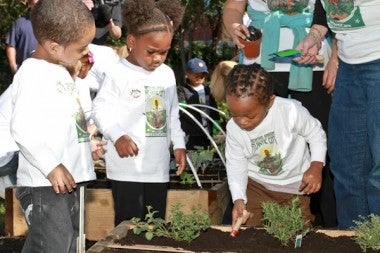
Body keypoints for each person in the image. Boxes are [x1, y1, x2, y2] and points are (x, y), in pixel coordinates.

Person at [223, 0, 338, 228]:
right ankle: (245, 208)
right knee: (253, 139)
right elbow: (233, 7)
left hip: (312, 62)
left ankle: (329, 225)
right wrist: (236, 27)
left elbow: (335, 11)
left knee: (323, 143)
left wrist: (335, 58)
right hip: (260, 69)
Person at [9, 0, 97, 252]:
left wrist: (86, 146)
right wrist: (51, 166)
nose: (86, 50)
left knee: (69, 244)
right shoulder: (32, 73)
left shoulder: (60, 71)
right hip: (45, 184)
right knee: (53, 245)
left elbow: (69, 119)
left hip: (71, 180)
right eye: (81, 46)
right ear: (54, 47)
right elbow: (22, 127)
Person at [92, 0, 186, 226]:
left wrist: (179, 144)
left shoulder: (167, 75)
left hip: (157, 167)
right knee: (128, 228)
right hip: (127, 169)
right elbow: (100, 108)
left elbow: (172, 112)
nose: (158, 59)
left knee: (155, 226)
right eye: (152, 52)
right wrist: (117, 135)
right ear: (132, 41)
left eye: (164, 52)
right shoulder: (118, 73)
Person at [295, 0, 380, 229]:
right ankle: (355, 241)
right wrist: (315, 36)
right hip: (349, 65)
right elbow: (327, 8)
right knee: (346, 168)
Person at [225, 63, 327, 228]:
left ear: (270, 102)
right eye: (234, 114)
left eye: (250, 116)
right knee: (251, 235)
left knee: (298, 236)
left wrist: (316, 166)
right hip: (257, 187)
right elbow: (236, 165)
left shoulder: (290, 111)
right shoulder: (233, 128)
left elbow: (316, 134)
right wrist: (238, 199)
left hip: (296, 187)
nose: (242, 122)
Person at [177, 58, 220, 150]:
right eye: (196, 75)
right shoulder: (182, 90)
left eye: (203, 75)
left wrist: (216, 127)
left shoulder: (208, 90)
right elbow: (183, 110)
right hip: (191, 134)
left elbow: (214, 110)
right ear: (187, 74)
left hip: (207, 133)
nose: (200, 77)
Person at [5, 0, 38, 73]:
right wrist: (14, 67)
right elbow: (11, 46)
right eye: (34, 4)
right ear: (29, 5)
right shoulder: (19, 23)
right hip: (23, 72)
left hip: (45, 74)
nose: (37, 6)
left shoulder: (49, 26)